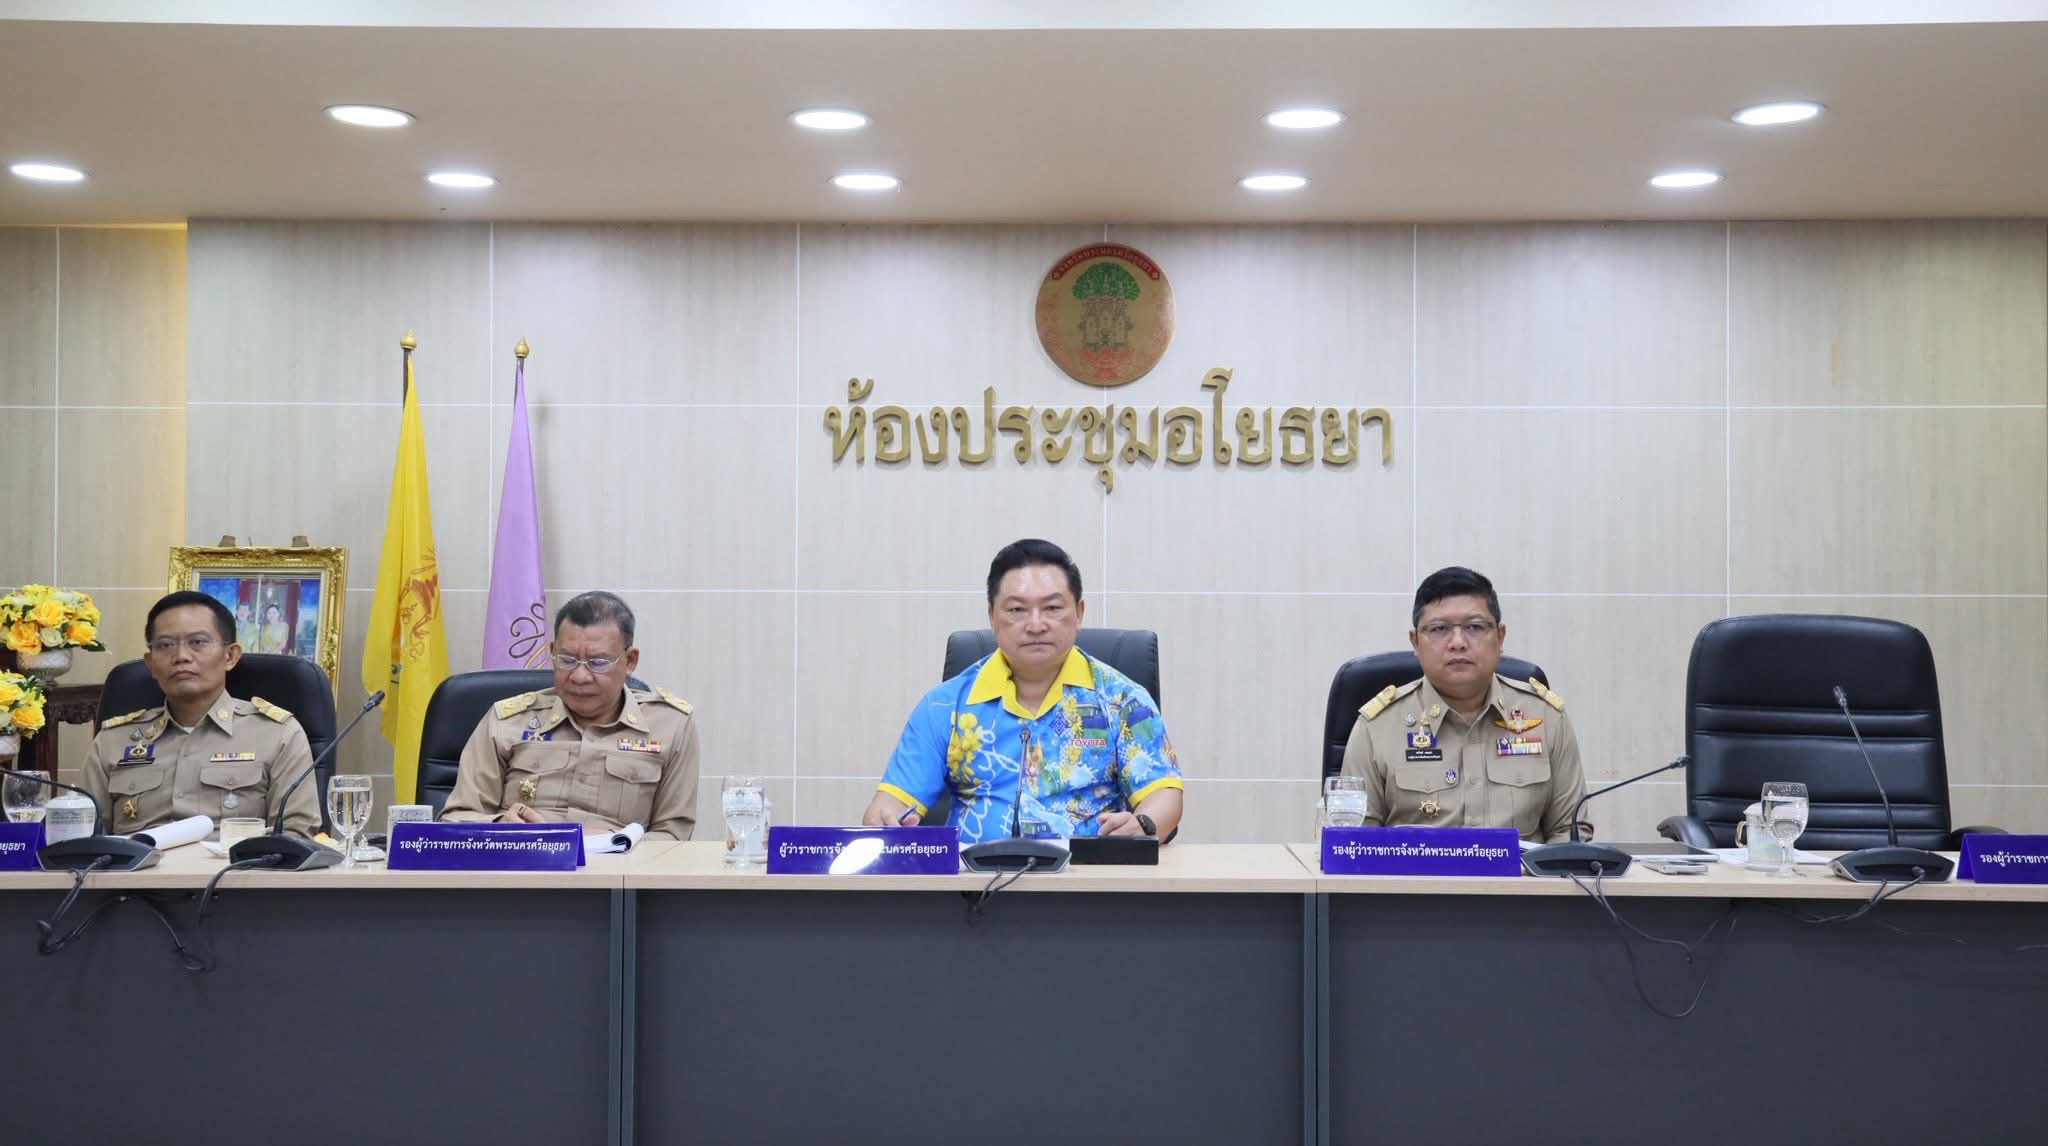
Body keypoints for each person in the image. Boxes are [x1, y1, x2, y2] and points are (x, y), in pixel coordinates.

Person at [861, 538, 1184, 843]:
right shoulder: (945, 706)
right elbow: (890, 803)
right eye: (1017, 610)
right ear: (992, 615)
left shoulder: (1123, 700)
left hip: (1089, 887)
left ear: (1079, 613)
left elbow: (1164, 796)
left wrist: (1143, 823)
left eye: (1053, 608)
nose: (1035, 624)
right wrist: (884, 819)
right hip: (972, 890)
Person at [1341, 566, 1586, 842]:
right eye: (1439, 629)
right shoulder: (1377, 727)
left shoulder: (1546, 717)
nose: (1457, 642)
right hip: (1416, 885)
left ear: (1501, 636)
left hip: (1521, 883)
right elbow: (1356, 843)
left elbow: (1569, 832)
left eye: (1475, 627)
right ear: (1415, 642)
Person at [442, 591, 699, 840]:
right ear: (552, 651)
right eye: (566, 660)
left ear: (630, 661)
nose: (579, 676)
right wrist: (501, 827)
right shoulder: (507, 720)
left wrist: (616, 841)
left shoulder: (671, 726)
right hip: (519, 870)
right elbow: (455, 819)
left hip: (615, 874)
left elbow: (673, 837)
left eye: (598, 663)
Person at [82, 590, 321, 836]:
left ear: (230, 656)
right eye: (165, 645)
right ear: (151, 663)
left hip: (234, 871)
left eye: (197, 642)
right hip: (134, 872)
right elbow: (85, 839)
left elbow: (296, 836)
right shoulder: (112, 741)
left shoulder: (278, 734)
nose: (181, 657)